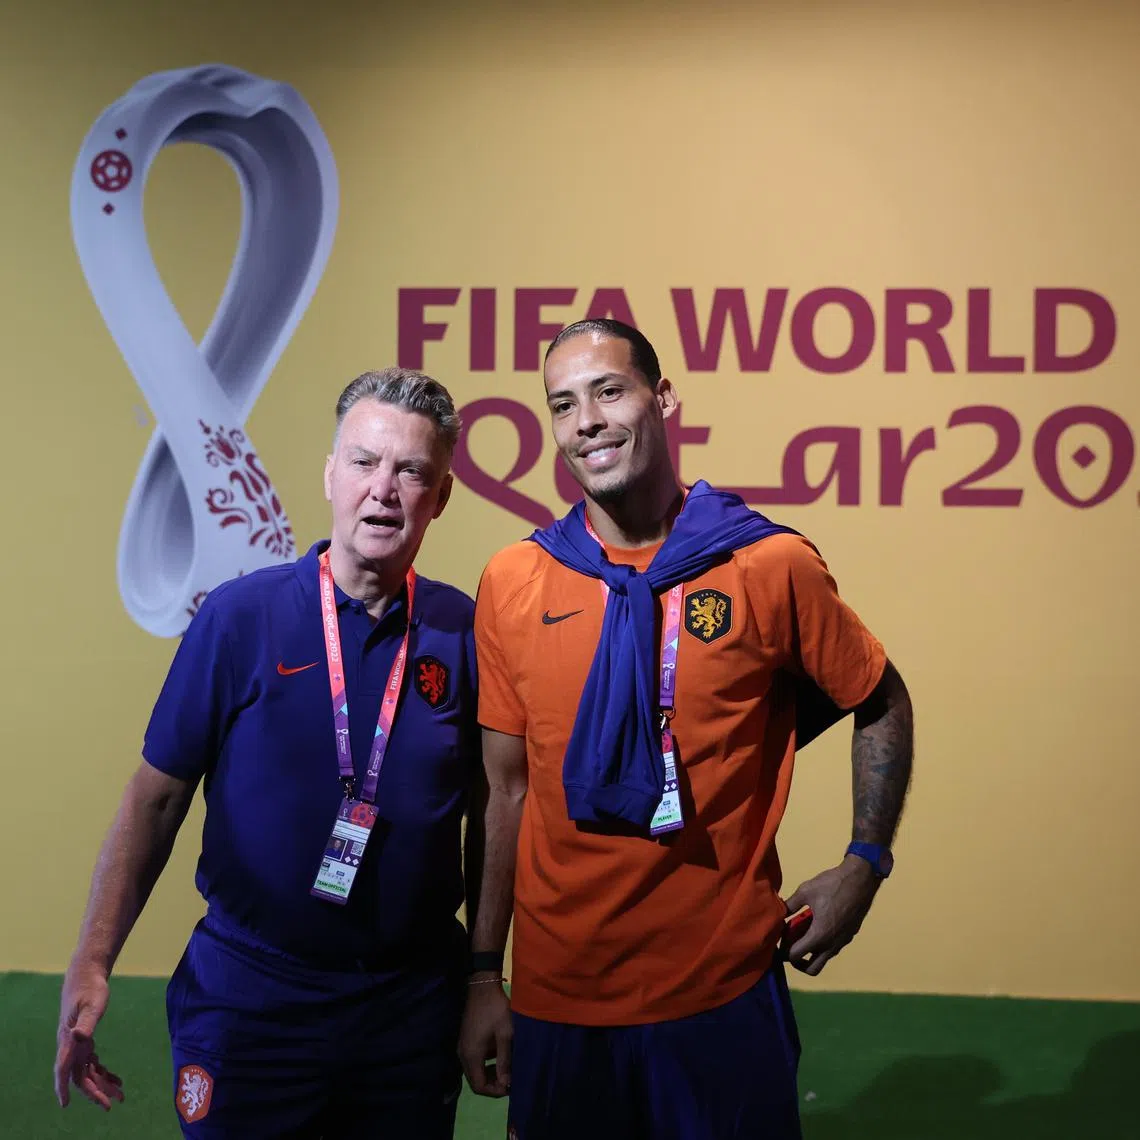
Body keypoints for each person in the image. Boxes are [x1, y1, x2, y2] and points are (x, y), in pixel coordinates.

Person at [458, 319, 914, 1139]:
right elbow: (504, 791)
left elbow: (879, 698)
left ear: (663, 398)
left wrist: (864, 864)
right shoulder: (514, 578)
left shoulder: (768, 564)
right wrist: (485, 975)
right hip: (561, 1003)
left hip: (722, 997)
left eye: (608, 391)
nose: (586, 421)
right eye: (563, 405)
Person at [55, 368, 484, 1139]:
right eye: (363, 462)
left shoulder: (466, 633)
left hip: (408, 1011)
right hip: (253, 999)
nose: (382, 489)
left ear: (440, 495)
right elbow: (154, 800)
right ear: (329, 473)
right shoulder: (238, 619)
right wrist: (93, 959)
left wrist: (486, 977)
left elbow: (496, 817)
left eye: (411, 469)